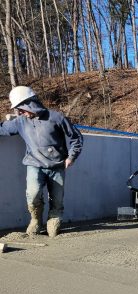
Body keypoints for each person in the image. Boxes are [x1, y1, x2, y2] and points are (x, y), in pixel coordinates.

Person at [0, 86, 83, 237]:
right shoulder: (20, 122)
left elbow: (76, 137)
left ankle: (53, 220)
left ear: (30, 104)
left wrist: (71, 157)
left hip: (57, 165)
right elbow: (3, 129)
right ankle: (36, 219)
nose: (20, 113)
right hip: (34, 163)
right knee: (33, 194)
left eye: (22, 109)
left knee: (57, 200)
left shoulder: (56, 118)